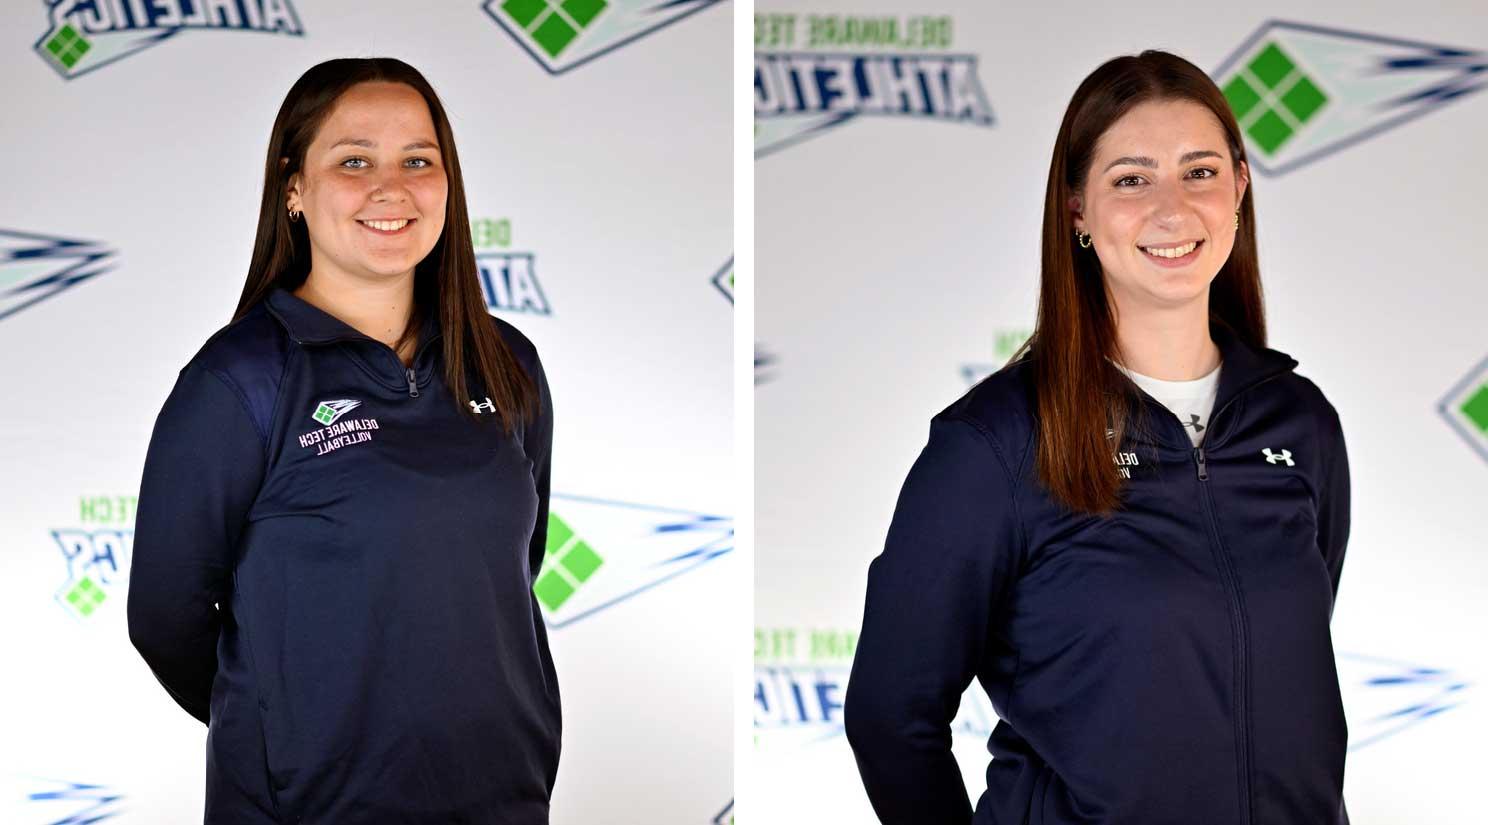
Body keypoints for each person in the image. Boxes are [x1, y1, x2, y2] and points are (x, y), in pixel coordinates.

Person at [843, 50, 1351, 825]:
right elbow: (889, 714)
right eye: (1131, 179)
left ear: (1241, 190)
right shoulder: (998, 444)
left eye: (1200, 172)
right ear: (1077, 208)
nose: (1173, 210)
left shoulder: (1300, 422)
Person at [127, 58, 560, 824]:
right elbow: (167, 616)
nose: (390, 188)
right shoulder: (242, 380)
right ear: (294, 187)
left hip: (502, 798)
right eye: (354, 160)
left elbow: (512, 569)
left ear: (447, 184)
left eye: (418, 161)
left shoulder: (507, 362)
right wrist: (289, 731)